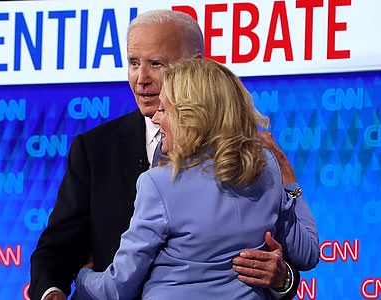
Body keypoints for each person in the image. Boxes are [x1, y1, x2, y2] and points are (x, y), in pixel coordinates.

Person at [30, 9, 310, 300]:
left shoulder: (245, 154)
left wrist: (283, 280)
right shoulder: (94, 147)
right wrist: (52, 290)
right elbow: (59, 245)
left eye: (156, 64)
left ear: (195, 66)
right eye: (133, 63)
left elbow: (290, 252)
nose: (141, 78)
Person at [73, 58, 320, 299]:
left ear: (191, 116)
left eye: (164, 109)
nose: (157, 119)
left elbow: (117, 289)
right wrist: (291, 184)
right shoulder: (267, 169)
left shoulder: (159, 183)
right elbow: (307, 252)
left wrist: (83, 277)